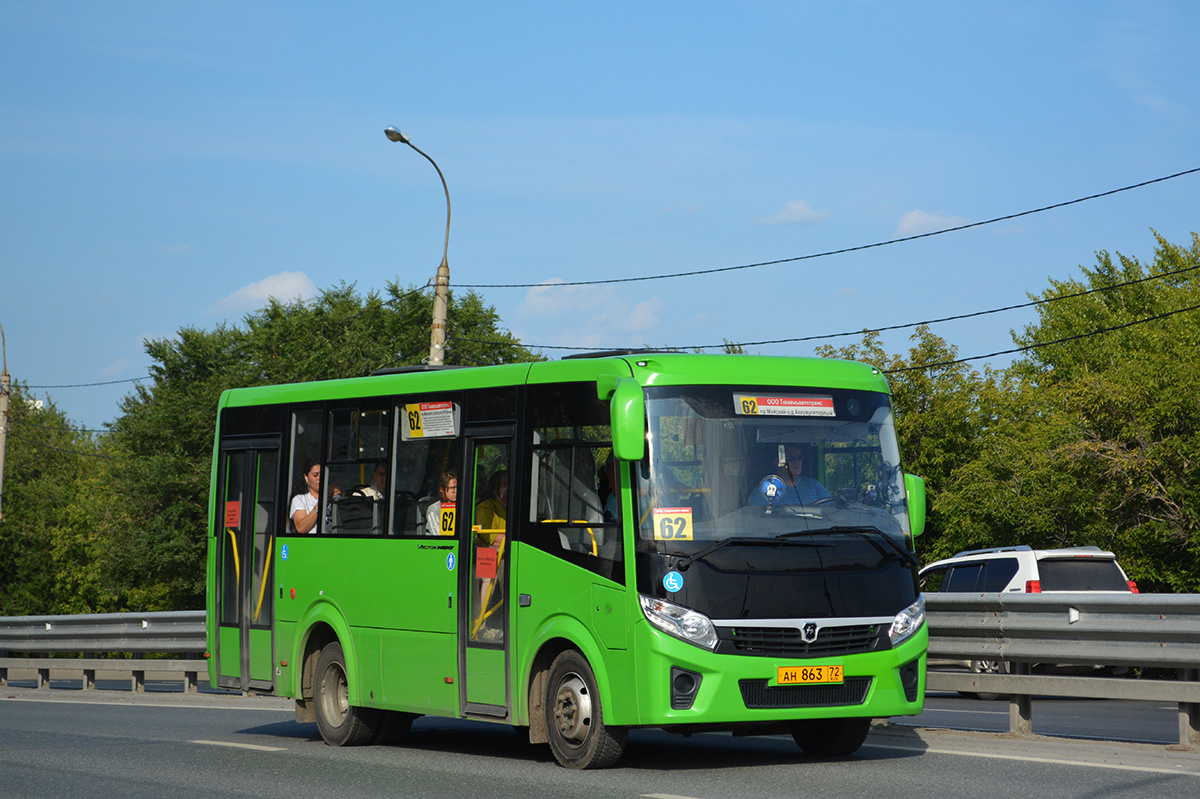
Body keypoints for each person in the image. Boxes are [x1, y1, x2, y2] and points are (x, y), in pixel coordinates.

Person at [747, 445, 831, 507]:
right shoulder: (763, 491)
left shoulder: (814, 486)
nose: (797, 462)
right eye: (791, 458)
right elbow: (754, 522)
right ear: (777, 462)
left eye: (799, 457)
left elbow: (832, 510)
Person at [475, 470, 508, 541]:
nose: (509, 489)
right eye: (505, 484)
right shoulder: (486, 507)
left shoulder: (518, 508)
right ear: (495, 488)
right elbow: (488, 536)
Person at [290, 461, 322, 534]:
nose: (319, 478)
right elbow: (301, 528)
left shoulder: (333, 497)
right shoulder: (299, 499)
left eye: (322, 474)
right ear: (306, 477)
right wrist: (320, 505)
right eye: (315, 475)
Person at [425, 471, 457, 536]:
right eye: (452, 488)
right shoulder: (434, 510)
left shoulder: (462, 508)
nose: (456, 491)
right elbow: (437, 535)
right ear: (442, 490)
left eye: (458, 487)